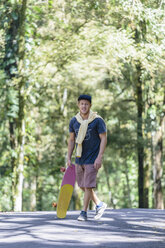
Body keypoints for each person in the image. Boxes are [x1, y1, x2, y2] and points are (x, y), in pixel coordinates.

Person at [67, 94, 107, 221]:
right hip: (79, 158)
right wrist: (68, 157)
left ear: (90, 105)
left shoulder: (97, 120)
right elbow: (72, 140)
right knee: (83, 186)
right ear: (78, 105)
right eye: (82, 104)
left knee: (88, 186)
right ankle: (99, 204)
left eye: (86, 104)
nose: (84, 106)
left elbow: (104, 138)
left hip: (92, 158)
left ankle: (83, 212)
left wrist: (99, 157)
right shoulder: (74, 121)